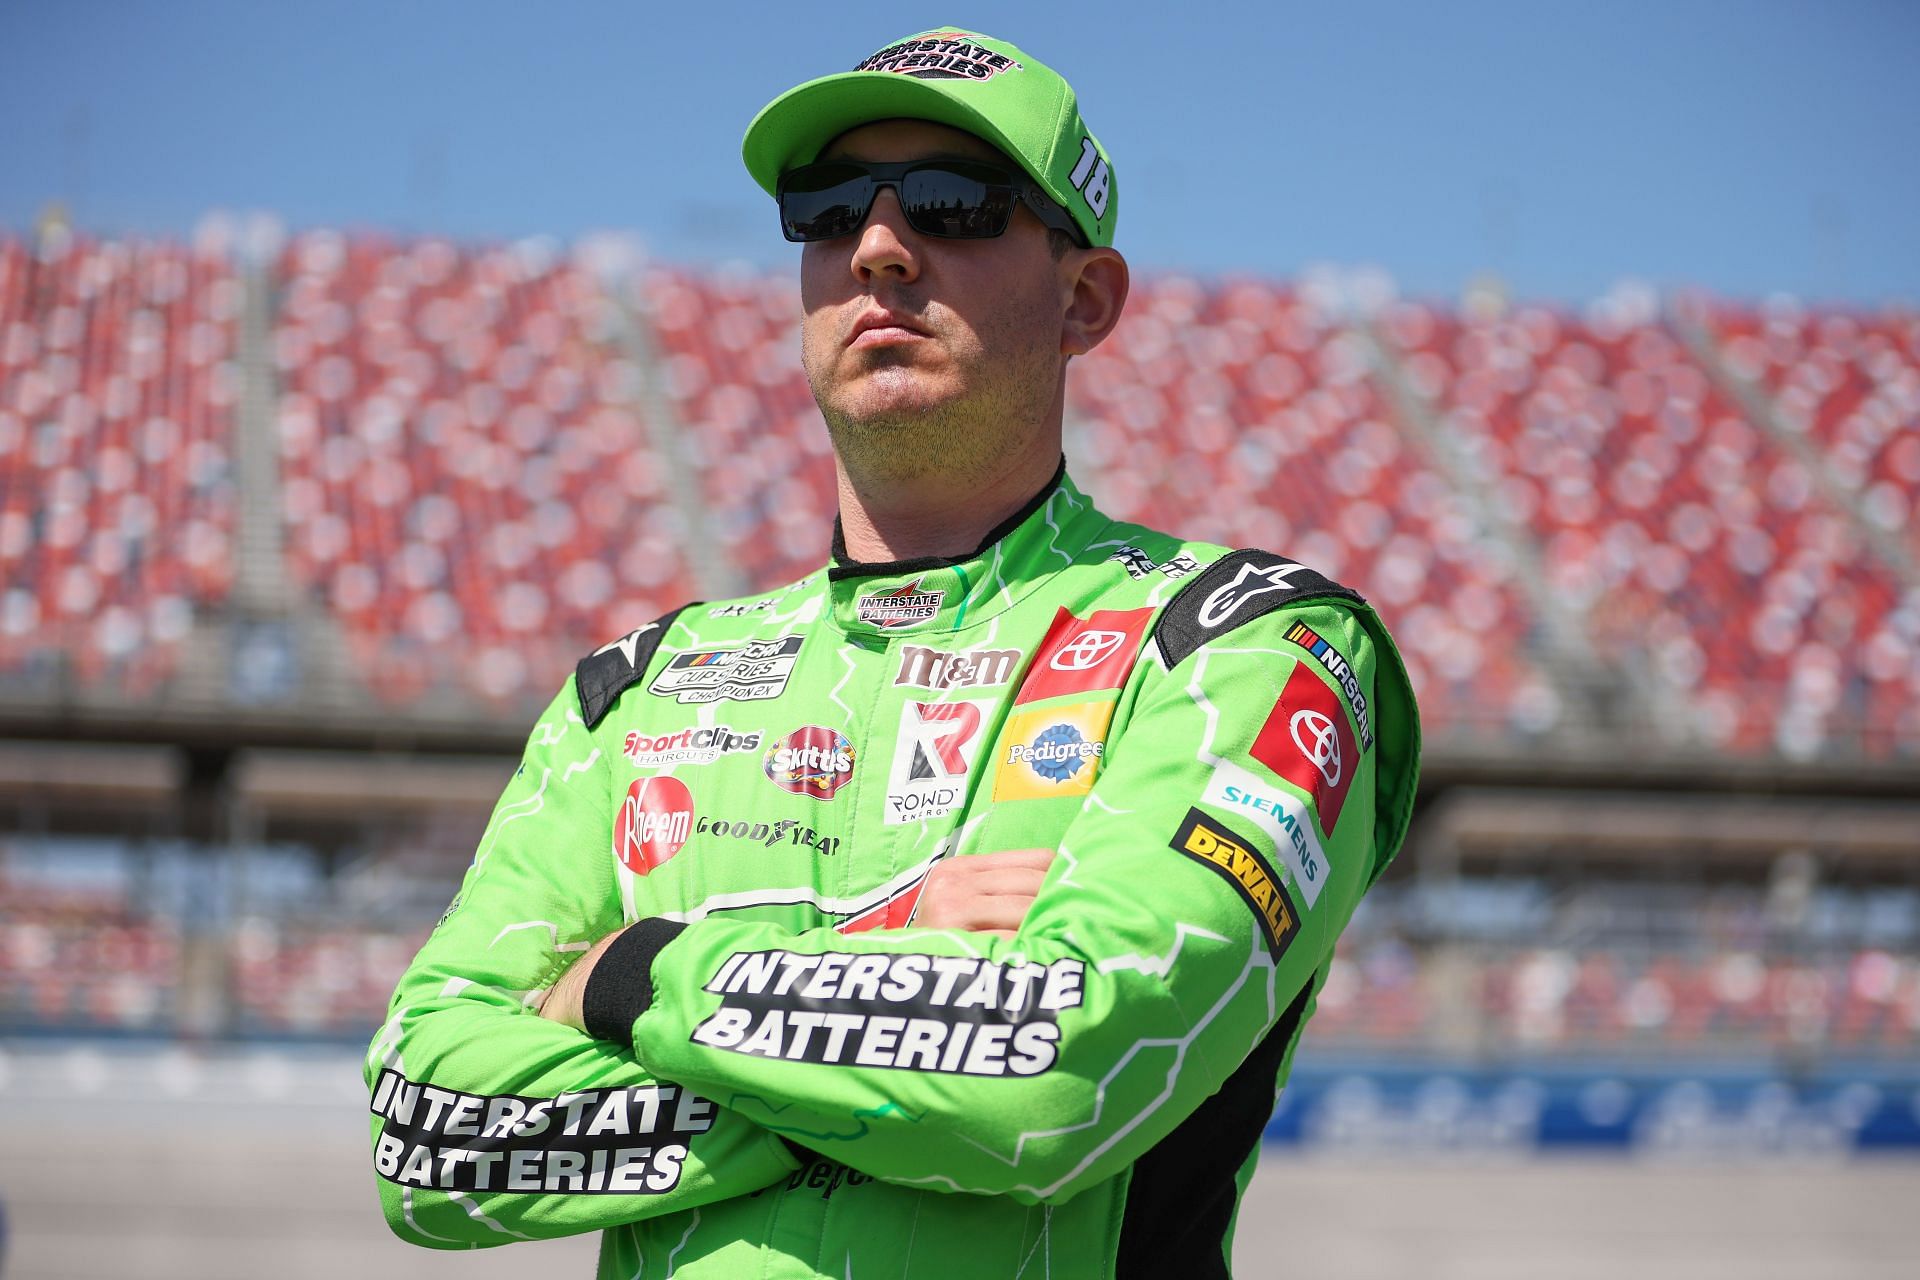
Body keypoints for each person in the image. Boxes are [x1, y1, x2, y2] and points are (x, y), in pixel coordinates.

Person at [367, 27, 1419, 1279]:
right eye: (824, 213)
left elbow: (1055, 1078)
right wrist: (889, 955)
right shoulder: (640, 687)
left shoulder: (1245, 641)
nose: (875, 245)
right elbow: (426, 1134)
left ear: (1085, 299)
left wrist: (629, 976)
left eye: (953, 203)